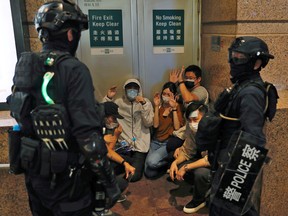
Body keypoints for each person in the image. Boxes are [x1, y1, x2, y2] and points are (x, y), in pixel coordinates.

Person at [7, 1, 120, 215]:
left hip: (35, 176)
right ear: (70, 35)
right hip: (67, 182)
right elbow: (87, 137)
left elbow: (20, 116)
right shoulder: (74, 69)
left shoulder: (26, 65)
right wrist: (109, 182)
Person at [209, 36, 275, 216]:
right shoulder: (242, 85)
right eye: (233, 56)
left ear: (256, 63)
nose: (233, 61)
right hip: (228, 156)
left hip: (235, 162)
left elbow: (253, 137)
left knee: (227, 209)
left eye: (239, 58)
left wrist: (235, 178)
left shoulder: (251, 93)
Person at [103, 78, 154, 182]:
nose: (132, 90)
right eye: (129, 88)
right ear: (125, 90)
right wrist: (108, 97)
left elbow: (149, 123)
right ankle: (129, 165)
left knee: (134, 176)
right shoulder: (119, 102)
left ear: (139, 90)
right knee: (109, 167)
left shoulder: (146, 102)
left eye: (135, 88)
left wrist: (143, 104)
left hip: (140, 144)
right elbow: (104, 111)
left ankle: (134, 166)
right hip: (124, 144)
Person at [169, 103, 211, 214]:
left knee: (201, 173)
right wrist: (175, 162)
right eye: (190, 120)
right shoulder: (193, 129)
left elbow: (209, 159)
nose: (192, 123)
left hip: (217, 166)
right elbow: (187, 150)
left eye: (195, 119)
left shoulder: (214, 131)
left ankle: (199, 200)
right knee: (178, 165)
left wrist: (187, 167)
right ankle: (201, 187)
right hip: (203, 159)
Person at [166, 65, 209, 154]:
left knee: (172, 146)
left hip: (197, 130)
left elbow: (188, 98)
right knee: (171, 146)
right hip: (187, 129)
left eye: (191, 78)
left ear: (198, 79)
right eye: (186, 78)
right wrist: (173, 84)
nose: (187, 80)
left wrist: (181, 81)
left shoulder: (201, 90)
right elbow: (175, 97)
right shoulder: (187, 90)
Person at [144, 82, 184, 179]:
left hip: (166, 143)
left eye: (168, 94)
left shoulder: (177, 106)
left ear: (174, 95)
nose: (165, 96)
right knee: (149, 173)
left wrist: (174, 109)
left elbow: (177, 128)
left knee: (151, 162)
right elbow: (156, 125)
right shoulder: (160, 106)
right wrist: (156, 106)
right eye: (164, 94)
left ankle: (169, 162)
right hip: (155, 142)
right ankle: (165, 165)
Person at [103, 101, 136, 202]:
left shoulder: (103, 126)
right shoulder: (96, 128)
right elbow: (108, 152)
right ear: (105, 116)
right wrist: (116, 136)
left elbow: (108, 150)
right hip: (95, 164)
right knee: (121, 183)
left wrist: (125, 163)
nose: (114, 121)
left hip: (104, 157)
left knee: (128, 160)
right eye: (113, 118)